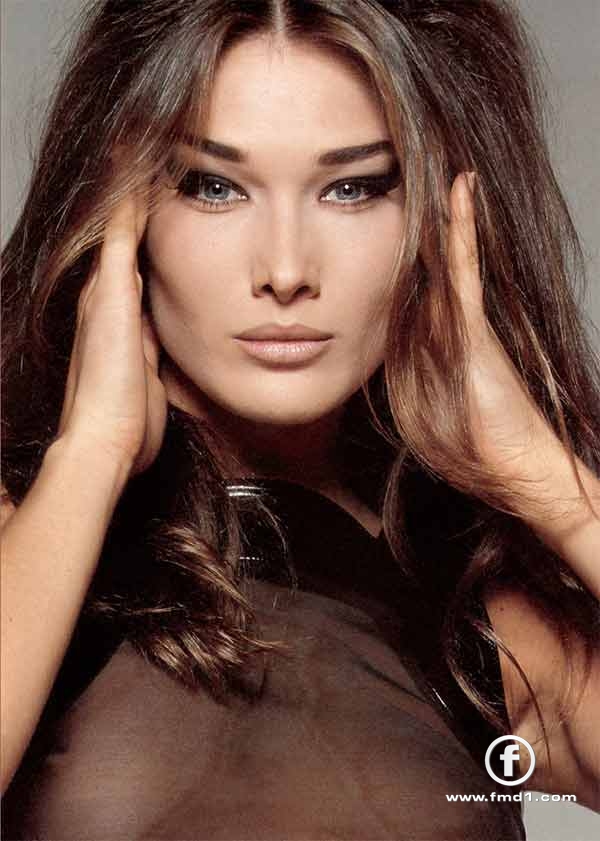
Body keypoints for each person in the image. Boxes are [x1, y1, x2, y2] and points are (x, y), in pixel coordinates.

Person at [1, 0, 599, 837]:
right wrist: (90, 455)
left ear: (440, 218)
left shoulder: (477, 621)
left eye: (352, 188)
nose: (285, 270)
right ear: (120, 207)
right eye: (213, 186)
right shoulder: (28, 533)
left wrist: (546, 479)